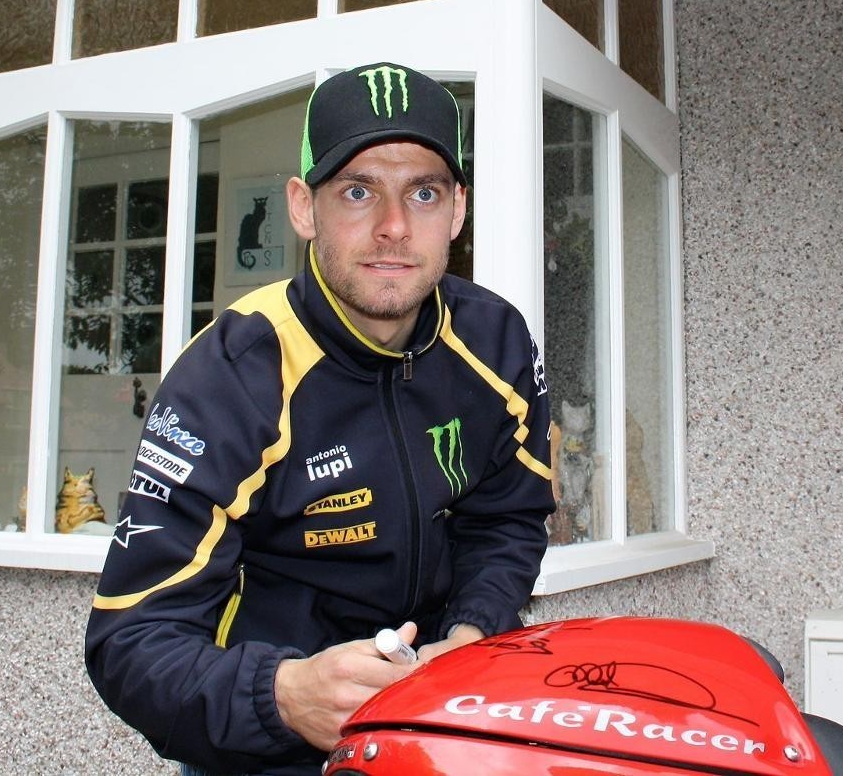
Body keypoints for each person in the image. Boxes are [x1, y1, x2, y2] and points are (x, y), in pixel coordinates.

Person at [85, 62, 556, 776]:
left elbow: (507, 520)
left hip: (438, 734)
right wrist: (282, 695)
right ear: (304, 208)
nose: (394, 227)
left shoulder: (496, 341)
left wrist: (470, 633)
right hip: (265, 752)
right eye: (358, 191)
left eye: (424, 192)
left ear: (458, 210)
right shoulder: (231, 375)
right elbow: (131, 641)